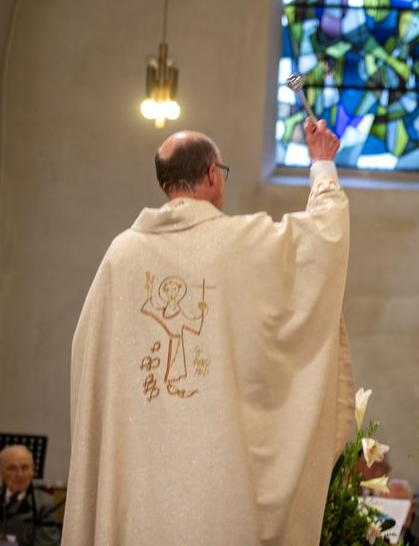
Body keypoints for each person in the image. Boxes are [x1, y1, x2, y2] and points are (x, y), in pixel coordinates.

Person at [63, 118, 353, 545]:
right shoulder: (240, 242)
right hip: (219, 487)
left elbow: (87, 357)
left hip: (134, 482)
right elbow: (320, 245)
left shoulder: (120, 256)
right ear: (213, 175)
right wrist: (322, 165)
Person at [0, 444, 61, 546]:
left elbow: (47, 543)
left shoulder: (45, 504)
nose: (19, 474)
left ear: (33, 470)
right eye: (12, 468)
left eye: (25, 467)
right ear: (0, 470)